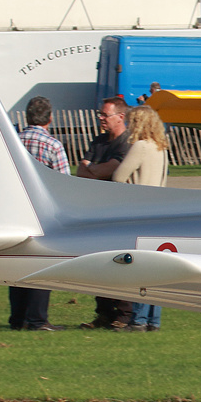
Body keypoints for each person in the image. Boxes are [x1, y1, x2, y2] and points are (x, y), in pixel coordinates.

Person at [8, 96, 70, 332]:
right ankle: (37, 319)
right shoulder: (53, 145)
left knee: (17, 264)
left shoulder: (14, 142)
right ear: (50, 118)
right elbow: (63, 180)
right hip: (43, 212)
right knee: (41, 264)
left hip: (16, 209)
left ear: (27, 116)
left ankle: (18, 318)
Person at [77, 96, 134, 329]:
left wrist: (92, 169)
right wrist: (93, 170)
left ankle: (122, 316)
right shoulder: (99, 141)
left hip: (120, 211)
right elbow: (80, 169)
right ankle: (103, 313)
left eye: (105, 115)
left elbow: (110, 169)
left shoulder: (126, 143)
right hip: (96, 210)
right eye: (100, 115)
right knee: (98, 264)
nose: (101, 119)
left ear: (120, 117)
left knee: (120, 264)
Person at [114, 104, 169, 331]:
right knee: (155, 270)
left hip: (138, 212)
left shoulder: (140, 146)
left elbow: (119, 177)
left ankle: (138, 319)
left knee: (139, 269)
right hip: (159, 212)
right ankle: (153, 320)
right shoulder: (161, 147)